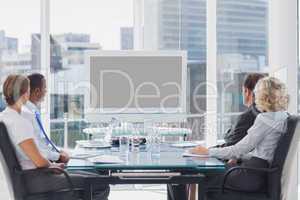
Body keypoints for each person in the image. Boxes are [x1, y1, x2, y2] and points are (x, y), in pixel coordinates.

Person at [0, 74, 109, 200]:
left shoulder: (5, 117)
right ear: (25, 94)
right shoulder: (20, 122)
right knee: (100, 183)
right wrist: (53, 166)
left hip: (28, 177)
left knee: (95, 178)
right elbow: (39, 161)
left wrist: (52, 164)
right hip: (35, 179)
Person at [168, 73, 265, 200]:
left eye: (242, 91)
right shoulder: (264, 116)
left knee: (181, 171)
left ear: (247, 91)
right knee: (187, 169)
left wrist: (207, 151)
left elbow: (233, 148)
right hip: (249, 166)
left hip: (240, 168)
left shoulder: (249, 116)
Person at [190, 76, 289, 199]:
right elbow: (265, 153)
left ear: (262, 96)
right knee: (214, 172)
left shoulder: (265, 119)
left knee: (205, 175)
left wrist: (208, 152)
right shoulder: (284, 117)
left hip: (251, 176)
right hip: (262, 173)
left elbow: (239, 149)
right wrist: (240, 157)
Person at [21, 73, 69, 163]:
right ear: (37, 91)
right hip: (39, 167)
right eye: (45, 88)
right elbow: (36, 148)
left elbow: (41, 141)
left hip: (44, 161)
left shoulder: (32, 111)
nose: (46, 91)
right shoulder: (26, 115)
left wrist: (58, 151)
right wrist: (58, 157)